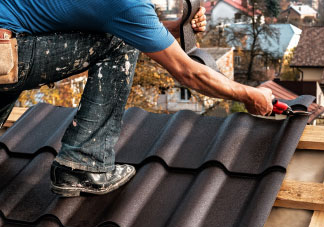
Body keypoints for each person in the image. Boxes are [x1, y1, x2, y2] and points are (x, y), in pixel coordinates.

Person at [0, 0, 273, 197]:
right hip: (5, 57)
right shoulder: (128, 5)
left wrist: (175, 28)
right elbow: (188, 73)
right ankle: (84, 163)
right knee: (121, 41)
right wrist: (251, 95)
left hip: (7, 42)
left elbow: (93, 19)